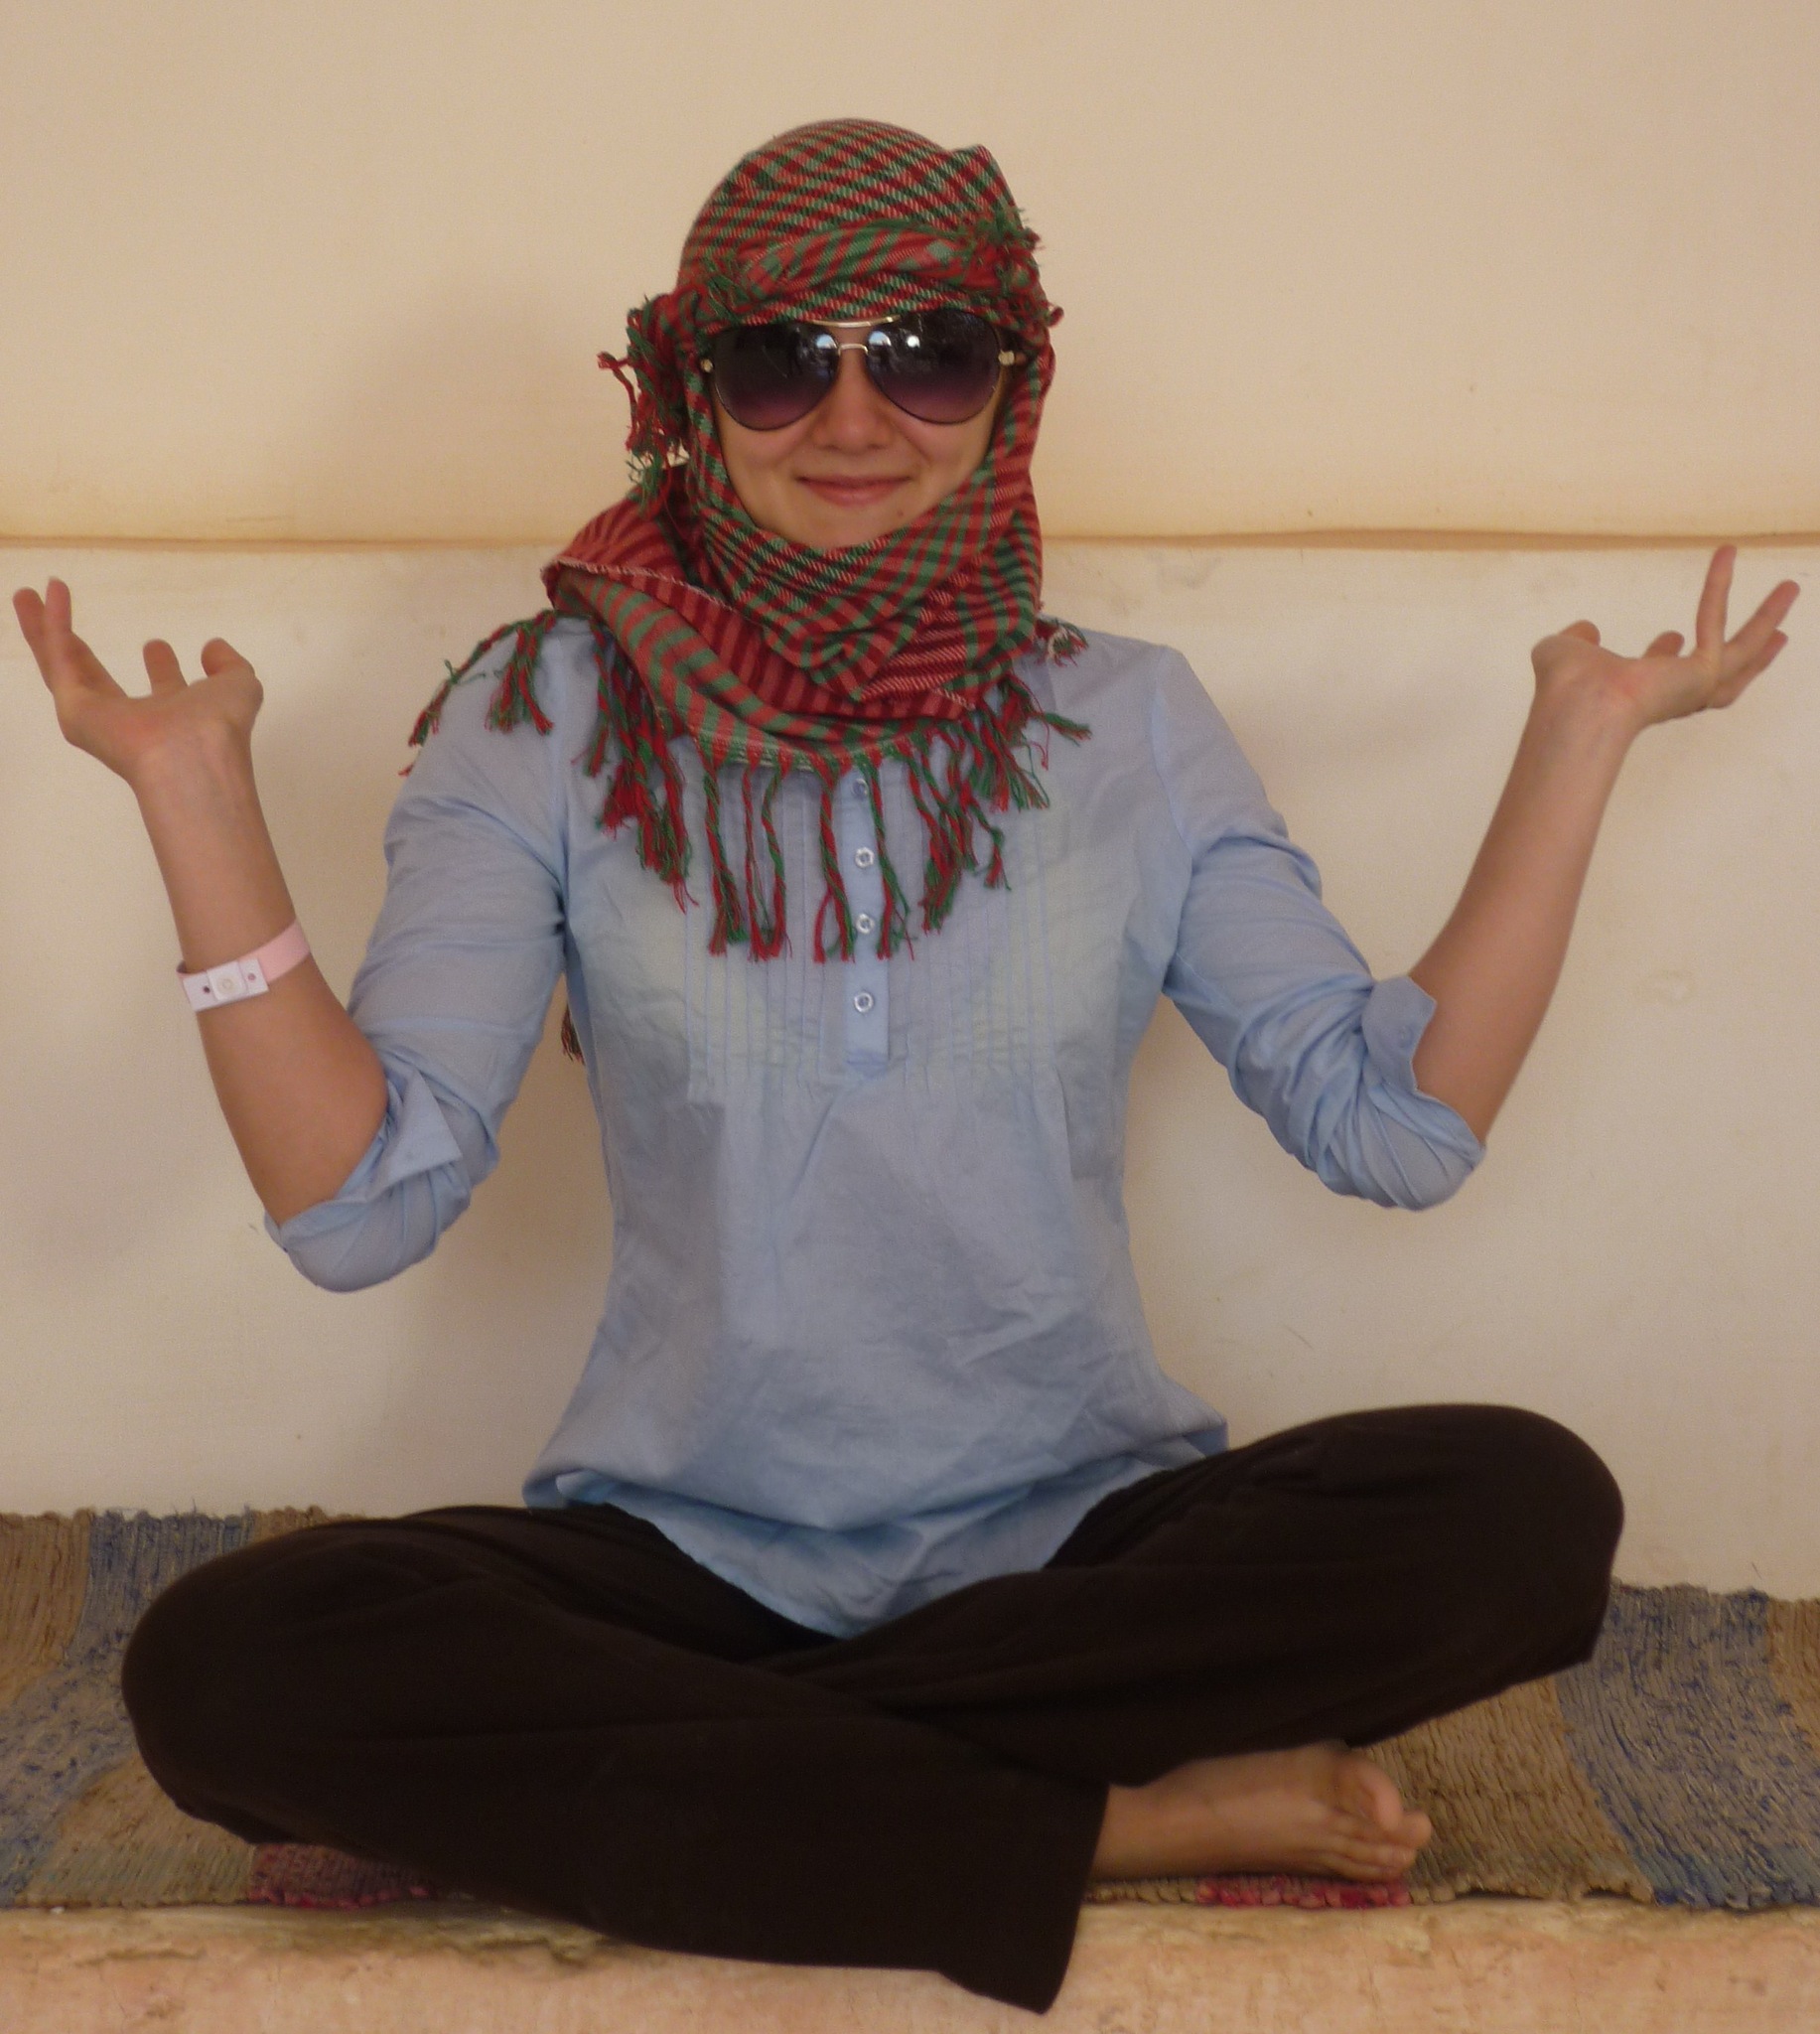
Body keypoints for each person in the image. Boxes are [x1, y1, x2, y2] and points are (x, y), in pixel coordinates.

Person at [14, 118, 1797, 2014]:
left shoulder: (1126, 720)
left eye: (928, 352)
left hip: (1079, 1551)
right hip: (685, 1561)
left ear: (1010, 382)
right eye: (778, 357)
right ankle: (1105, 1816)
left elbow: (1394, 1125)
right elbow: (360, 1211)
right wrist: (195, 801)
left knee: (1521, 1511)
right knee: (228, 1666)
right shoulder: (541, 719)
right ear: (686, 390)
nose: (854, 417)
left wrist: (1580, 742)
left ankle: (749, 1784)